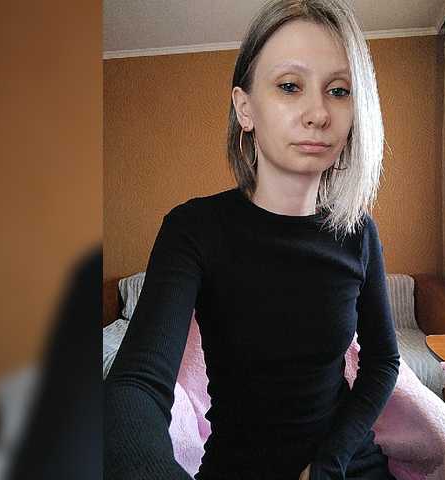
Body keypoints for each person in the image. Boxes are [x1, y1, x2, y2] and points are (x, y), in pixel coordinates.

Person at [104, 0, 400, 479]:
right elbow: (135, 385)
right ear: (245, 108)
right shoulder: (193, 229)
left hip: (348, 466)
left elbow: (383, 362)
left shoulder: (358, 232)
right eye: (290, 86)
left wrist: (328, 463)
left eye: (339, 90)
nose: (318, 113)